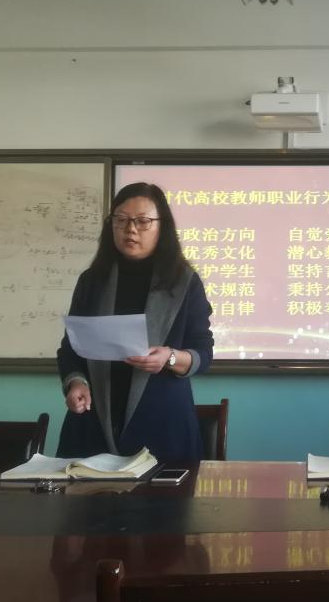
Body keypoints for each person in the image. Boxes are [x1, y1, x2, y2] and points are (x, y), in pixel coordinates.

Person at [56, 182, 213, 463]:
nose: (131, 229)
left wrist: (170, 357)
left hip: (163, 425)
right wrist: (75, 383)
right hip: (93, 421)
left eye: (142, 221)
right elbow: (71, 349)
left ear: (162, 227)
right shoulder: (92, 281)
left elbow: (203, 353)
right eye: (121, 220)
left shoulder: (184, 282)